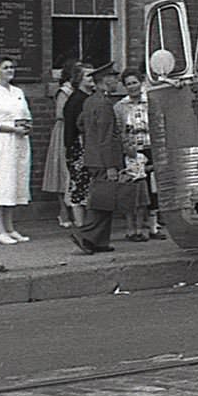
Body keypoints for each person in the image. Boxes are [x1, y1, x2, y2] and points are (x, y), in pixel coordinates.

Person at [70, 65, 124, 254]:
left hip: (92, 156)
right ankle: (85, 235)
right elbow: (107, 136)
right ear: (106, 80)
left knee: (105, 201)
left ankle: (99, 242)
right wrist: (111, 165)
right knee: (102, 201)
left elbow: (80, 124)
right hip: (103, 159)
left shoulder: (91, 101)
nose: (117, 82)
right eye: (115, 78)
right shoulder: (104, 104)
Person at [0, 55, 33, 244]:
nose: (10, 70)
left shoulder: (17, 91)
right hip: (1, 143)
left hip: (19, 142)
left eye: (12, 67)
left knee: (15, 184)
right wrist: (12, 128)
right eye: (5, 68)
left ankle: (10, 228)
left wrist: (26, 126)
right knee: (0, 183)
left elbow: (25, 114)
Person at [115, 68, 161, 241]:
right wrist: (127, 148)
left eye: (134, 82)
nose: (132, 87)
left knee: (153, 189)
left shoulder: (150, 102)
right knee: (134, 191)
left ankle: (153, 227)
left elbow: (159, 124)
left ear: (141, 83)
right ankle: (132, 228)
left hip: (151, 148)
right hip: (133, 152)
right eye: (128, 84)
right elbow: (119, 131)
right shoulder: (120, 107)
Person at [60, 60, 96, 230]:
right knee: (79, 188)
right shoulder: (76, 101)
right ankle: (81, 224)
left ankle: (88, 224)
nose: (92, 78)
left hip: (88, 148)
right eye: (89, 75)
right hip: (78, 149)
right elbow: (73, 129)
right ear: (79, 79)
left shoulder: (90, 98)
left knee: (88, 188)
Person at [41, 63, 77, 227]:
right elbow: (60, 114)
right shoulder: (64, 91)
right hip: (65, 131)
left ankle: (77, 211)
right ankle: (63, 212)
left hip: (77, 132)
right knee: (62, 171)